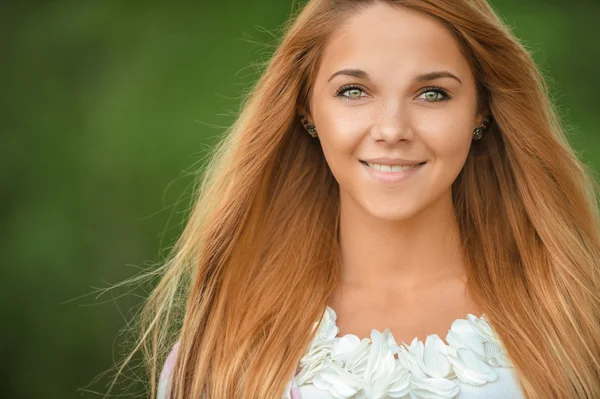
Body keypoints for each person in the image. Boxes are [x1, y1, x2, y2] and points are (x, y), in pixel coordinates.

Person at [128, 0, 600, 398]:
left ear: (481, 110)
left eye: (432, 94)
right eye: (354, 91)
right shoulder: (226, 347)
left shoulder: (576, 318)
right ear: (306, 108)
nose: (392, 129)